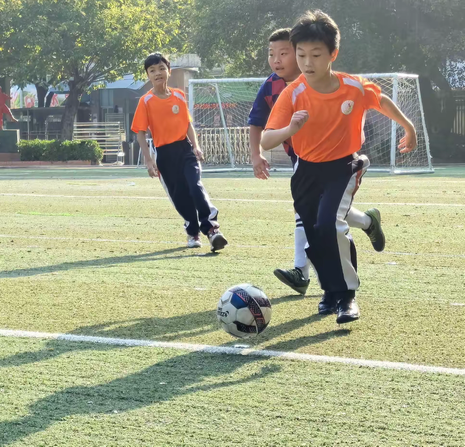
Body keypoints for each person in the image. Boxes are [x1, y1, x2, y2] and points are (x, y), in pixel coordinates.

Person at [262, 10, 417, 323]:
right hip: (306, 172)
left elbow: (381, 101)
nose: (307, 62)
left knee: (330, 223)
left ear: (333, 53)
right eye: (301, 55)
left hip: (343, 166)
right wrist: (290, 131)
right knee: (316, 233)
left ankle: (347, 297)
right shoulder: (293, 93)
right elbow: (266, 140)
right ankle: (330, 292)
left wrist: (408, 127)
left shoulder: (353, 87)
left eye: (316, 55)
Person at [249, 28, 385, 296]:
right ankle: (368, 223)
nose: (277, 59)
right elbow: (256, 123)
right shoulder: (272, 86)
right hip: (300, 157)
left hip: (336, 159)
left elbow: (365, 99)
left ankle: (303, 272)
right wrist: (256, 155)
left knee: (316, 216)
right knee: (322, 214)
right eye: (271, 54)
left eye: (284, 53)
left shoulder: (321, 77)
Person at [131, 52, 228, 252]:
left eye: (161, 68)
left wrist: (196, 146)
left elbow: (188, 124)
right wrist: (149, 161)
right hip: (164, 155)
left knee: (195, 186)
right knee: (180, 196)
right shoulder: (146, 101)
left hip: (184, 150)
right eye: (152, 70)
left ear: (169, 71)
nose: (157, 73)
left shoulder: (178, 95)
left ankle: (212, 230)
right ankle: (192, 232)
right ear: (147, 75)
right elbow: (140, 134)